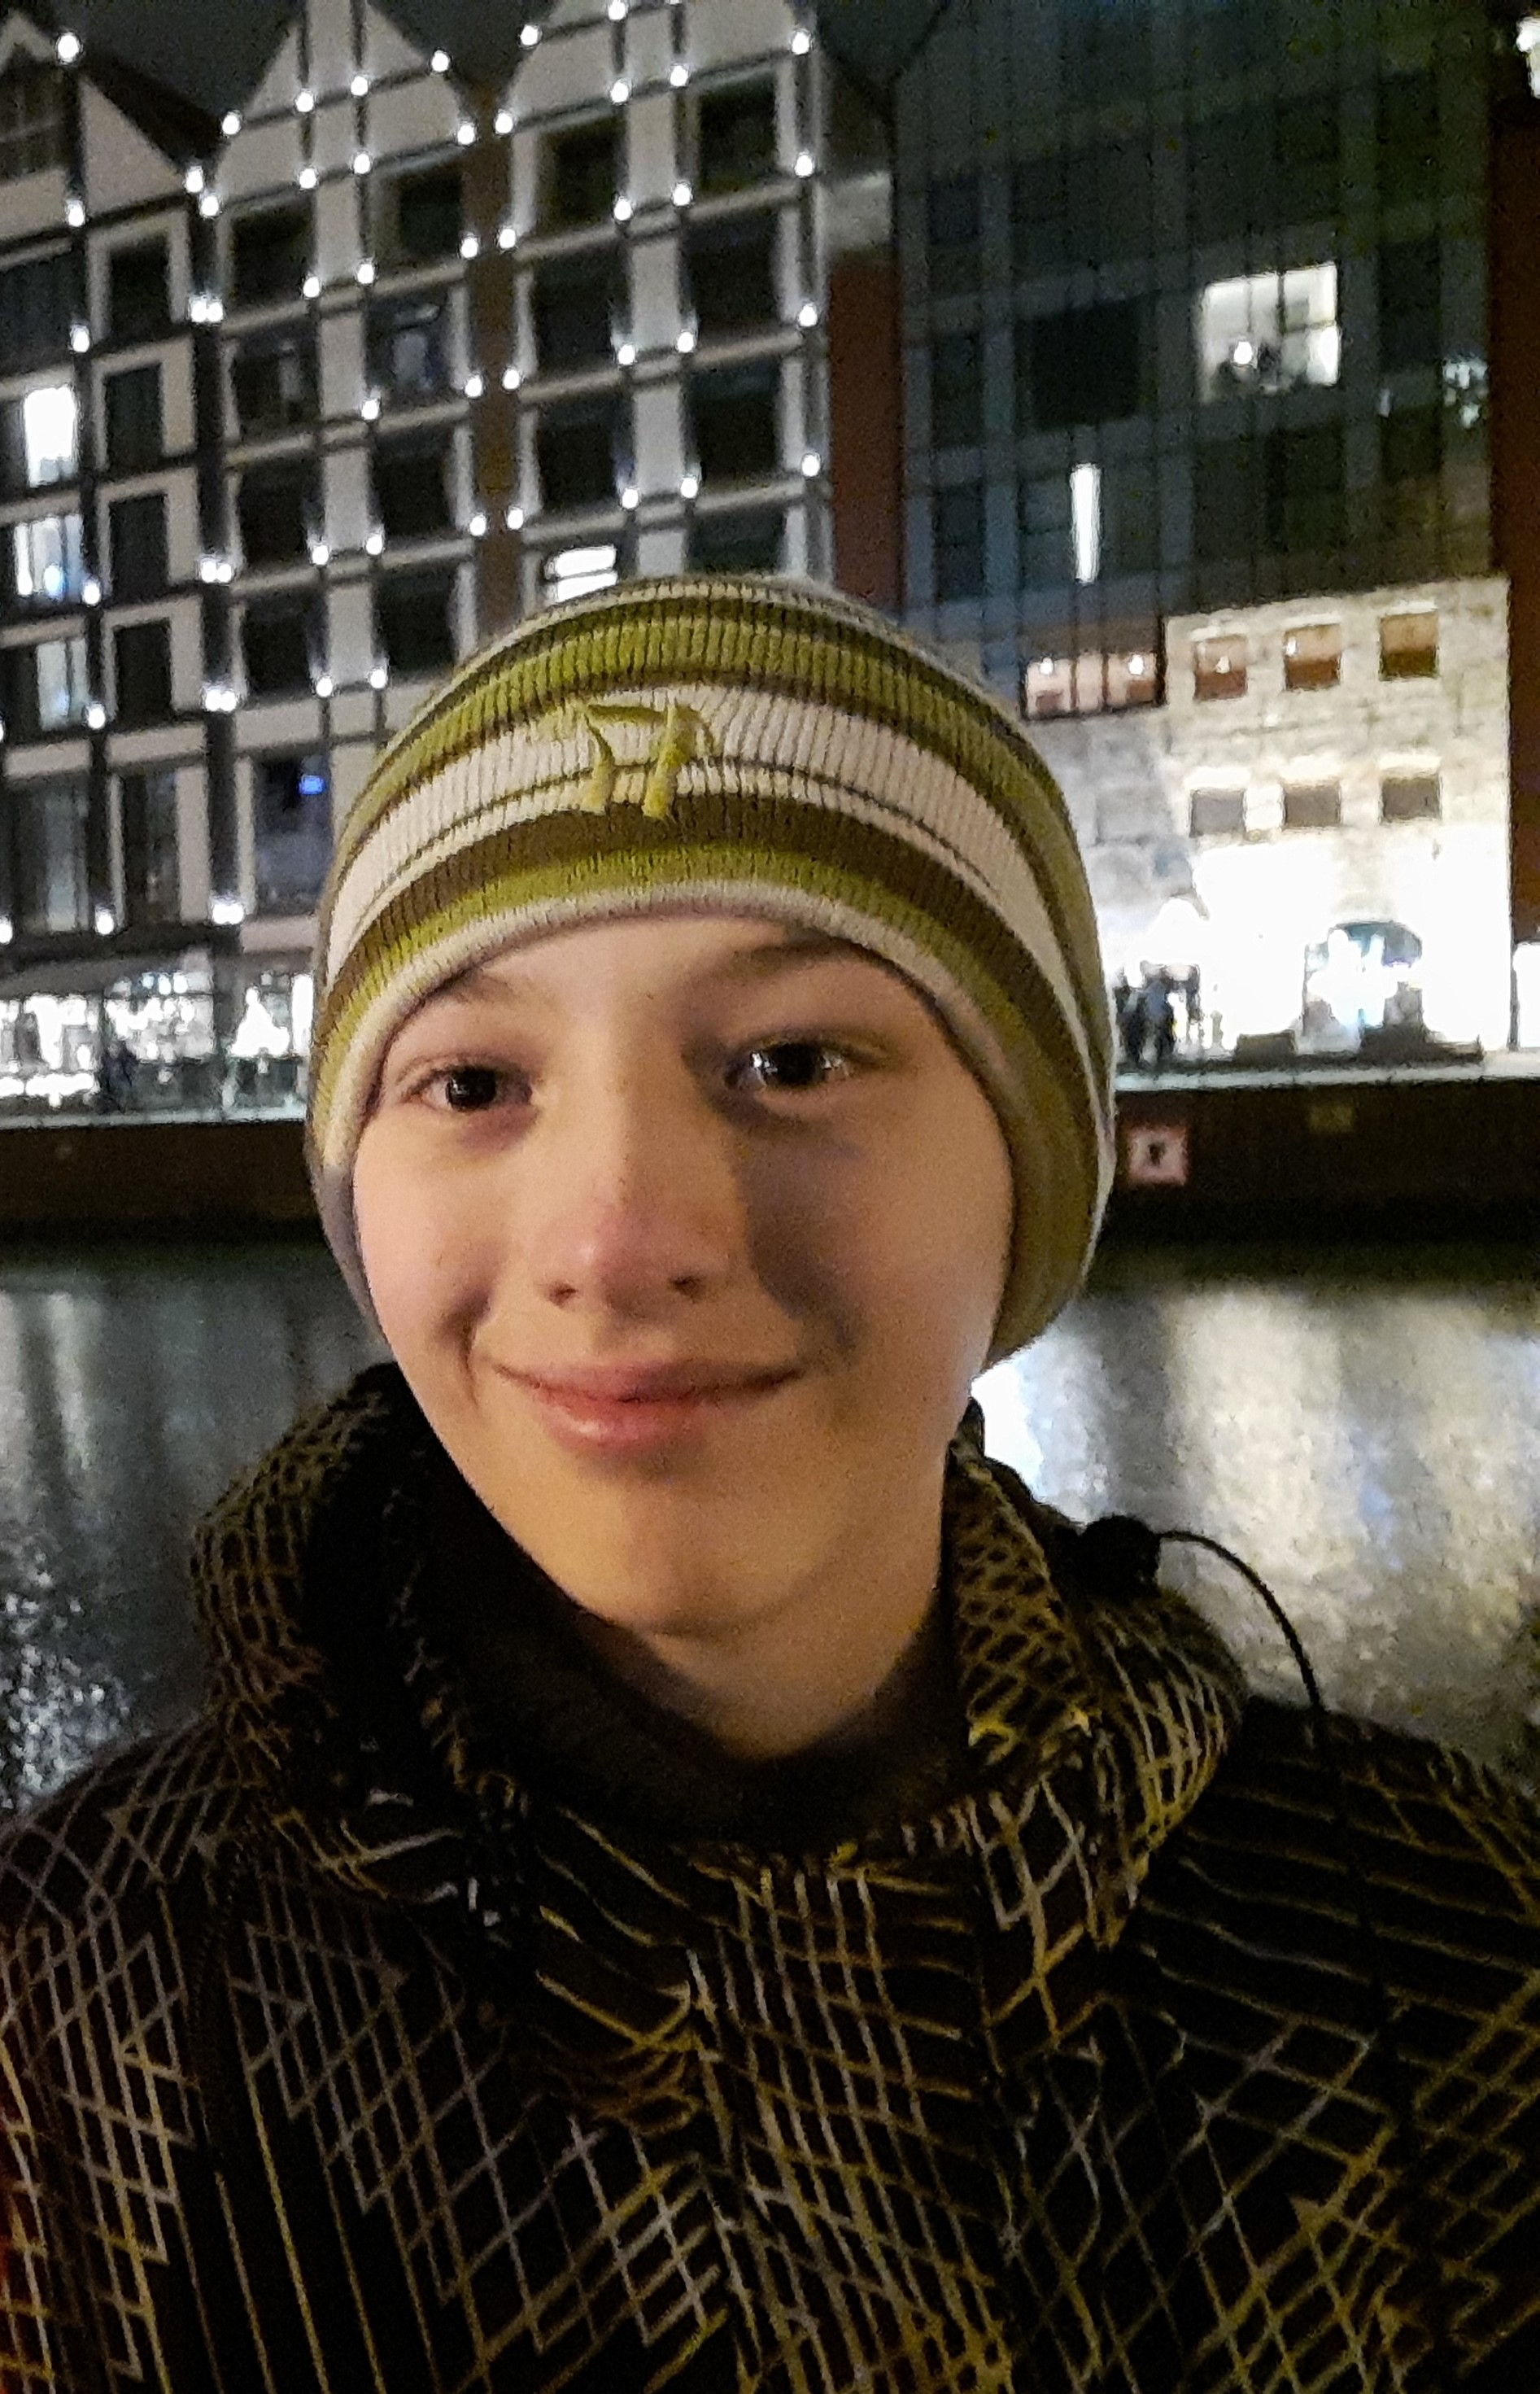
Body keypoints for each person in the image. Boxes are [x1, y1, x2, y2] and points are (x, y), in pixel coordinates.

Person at [1, 577, 1537, 2391]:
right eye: (473, 1081)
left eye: (791, 1061)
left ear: (1029, 1165)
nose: (615, 1238)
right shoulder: (69, 2004)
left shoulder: (1448, 1946)